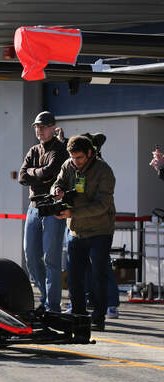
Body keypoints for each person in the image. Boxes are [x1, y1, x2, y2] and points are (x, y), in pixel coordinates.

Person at [52, 135, 116, 331]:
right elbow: (58, 182)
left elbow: (102, 205)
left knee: (98, 275)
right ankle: (79, 315)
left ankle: (98, 318)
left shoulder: (104, 171)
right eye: (72, 157)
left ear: (90, 153)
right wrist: (57, 190)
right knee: (74, 276)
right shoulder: (68, 165)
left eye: (79, 157)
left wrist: (73, 213)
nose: (75, 162)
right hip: (76, 231)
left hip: (100, 231)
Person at [18, 111, 68, 313]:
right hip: (33, 208)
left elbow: (51, 172)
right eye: (37, 127)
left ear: (53, 128)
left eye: (44, 126)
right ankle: (46, 297)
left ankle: (53, 306)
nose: (39, 130)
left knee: (51, 259)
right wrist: (39, 175)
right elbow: (22, 176)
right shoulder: (33, 150)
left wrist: (35, 174)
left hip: (52, 209)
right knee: (30, 256)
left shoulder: (59, 150)